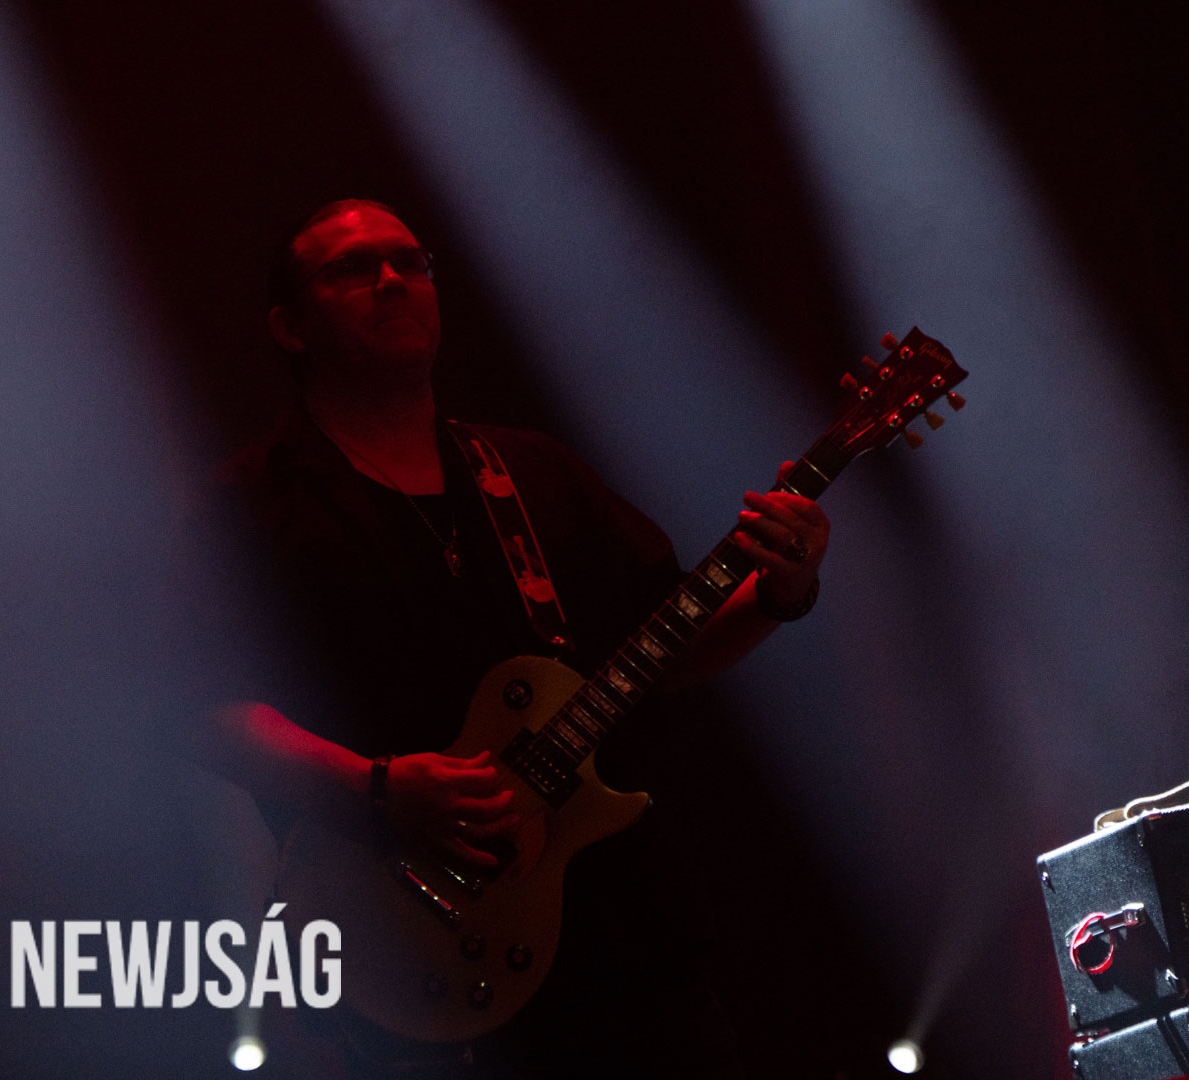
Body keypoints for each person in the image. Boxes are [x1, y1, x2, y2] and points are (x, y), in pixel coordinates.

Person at [187, 198, 829, 1077]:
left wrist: (781, 591)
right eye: (353, 269)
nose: (391, 280)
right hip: (395, 937)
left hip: (617, 939)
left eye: (411, 261)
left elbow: (662, 654)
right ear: (288, 327)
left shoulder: (529, 472)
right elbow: (196, 707)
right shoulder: (254, 503)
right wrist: (377, 787)